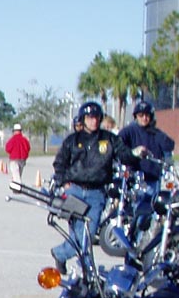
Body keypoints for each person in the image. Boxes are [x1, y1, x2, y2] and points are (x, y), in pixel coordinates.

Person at [50, 100, 139, 268]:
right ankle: (87, 268)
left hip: (96, 193)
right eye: (90, 117)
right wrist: (65, 183)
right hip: (75, 191)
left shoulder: (109, 139)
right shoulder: (72, 140)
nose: (94, 121)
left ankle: (60, 253)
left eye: (97, 117)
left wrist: (135, 154)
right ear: (83, 119)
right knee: (79, 233)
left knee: (88, 233)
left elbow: (124, 155)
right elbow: (59, 163)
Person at [119, 100, 176, 230]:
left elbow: (169, 145)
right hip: (136, 178)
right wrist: (131, 152)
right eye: (141, 115)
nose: (144, 118)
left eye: (147, 115)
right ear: (136, 116)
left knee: (151, 209)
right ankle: (131, 231)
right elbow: (118, 141)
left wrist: (167, 162)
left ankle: (145, 234)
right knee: (137, 208)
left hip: (153, 178)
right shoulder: (130, 131)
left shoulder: (155, 133)